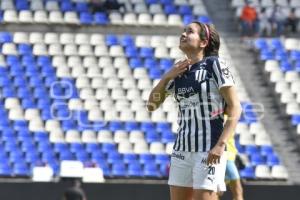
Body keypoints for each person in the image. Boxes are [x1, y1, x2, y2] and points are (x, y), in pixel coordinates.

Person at [147, 21, 242, 200]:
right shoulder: (178, 71)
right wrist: (167, 76)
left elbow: (236, 107)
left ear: (203, 43)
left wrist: (221, 145)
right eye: (183, 31)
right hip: (181, 150)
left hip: (209, 149)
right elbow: (152, 105)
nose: (183, 34)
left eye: (189, 32)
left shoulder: (215, 65)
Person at [223, 116, 244, 200]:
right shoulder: (221, 115)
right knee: (237, 189)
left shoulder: (229, 115)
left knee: (217, 191)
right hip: (225, 156)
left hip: (231, 156)